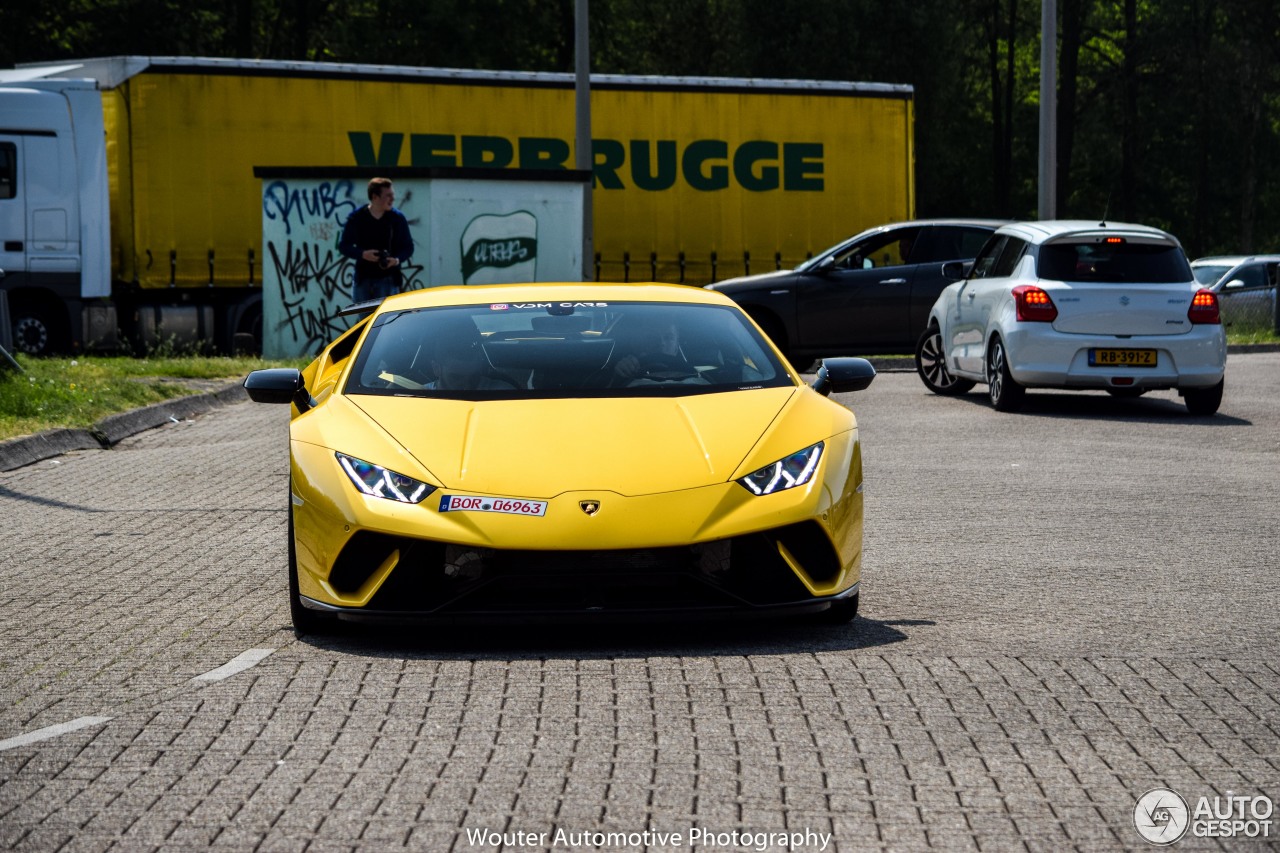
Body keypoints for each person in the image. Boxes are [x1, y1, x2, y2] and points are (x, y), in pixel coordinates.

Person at [339, 177, 414, 303]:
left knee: (387, 321)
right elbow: (343, 246)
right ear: (375, 197)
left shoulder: (397, 219)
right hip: (363, 279)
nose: (393, 199)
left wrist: (396, 260)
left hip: (388, 279)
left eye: (393, 195)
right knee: (364, 322)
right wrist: (362, 254)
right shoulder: (357, 218)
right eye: (388, 195)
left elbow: (409, 247)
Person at [611, 316, 691, 384]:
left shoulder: (696, 377)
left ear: (676, 346)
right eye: (653, 338)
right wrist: (619, 376)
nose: (661, 343)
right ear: (641, 344)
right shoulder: (629, 369)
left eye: (668, 338)